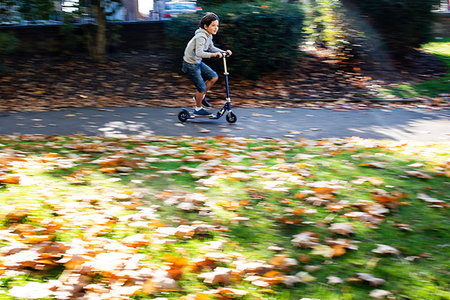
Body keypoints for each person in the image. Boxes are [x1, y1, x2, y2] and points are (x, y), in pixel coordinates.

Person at [182, 12, 232, 116]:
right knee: (201, 88)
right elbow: (199, 53)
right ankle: (198, 108)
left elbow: (211, 48)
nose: (216, 28)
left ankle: (199, 97)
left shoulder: (208, 35)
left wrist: (223, 52)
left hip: (197, 62)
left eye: (217, 25)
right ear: (206, 26)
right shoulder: (201, 36)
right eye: (213, 25)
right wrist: (214, 55)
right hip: (190, 64)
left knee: (213, 77)